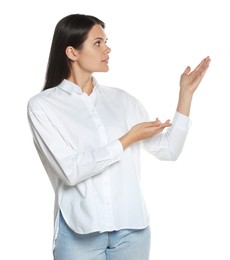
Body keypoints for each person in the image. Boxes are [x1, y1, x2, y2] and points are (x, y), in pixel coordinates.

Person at [27, 13, 211, 260]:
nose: (108, 48)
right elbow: (71, 171)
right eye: (98, 43)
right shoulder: (43, 106)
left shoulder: (123, 101)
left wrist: (185, 95)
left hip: (132, 231)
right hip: (79, 232)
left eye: (106, 41)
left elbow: (169, 150)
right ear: (72, 52)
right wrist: (127, 140)